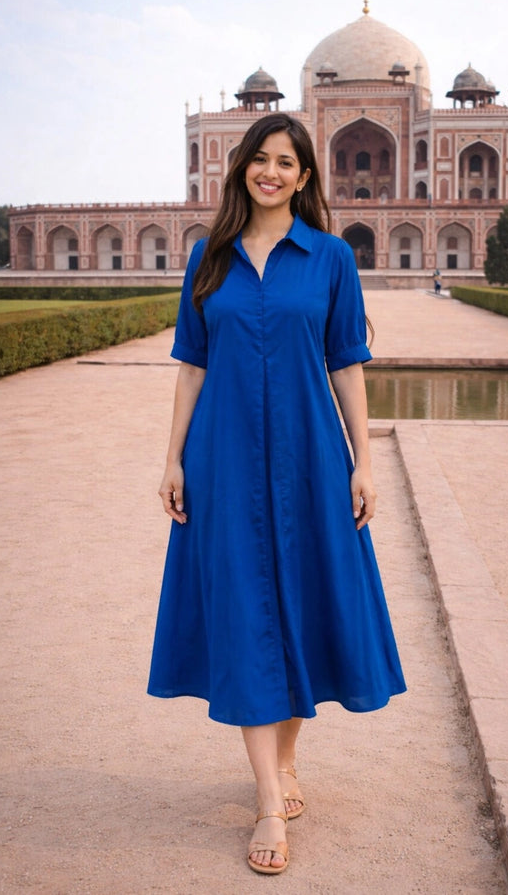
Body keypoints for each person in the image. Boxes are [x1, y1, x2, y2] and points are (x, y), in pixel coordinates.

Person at [147, 113, 406, 875]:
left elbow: (347, 362)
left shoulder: (329, 258)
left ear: (304, 176)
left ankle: (285, 761)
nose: (271, 173)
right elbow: (191, 364)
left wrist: (364, 461)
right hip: (222, 457)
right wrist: (171, 459)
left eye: (285, 162)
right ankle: (266, 798)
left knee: (301, 603)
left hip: (309, 458)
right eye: (259, 160)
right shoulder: (209, 257)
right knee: (245, 609)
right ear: (242, 170)